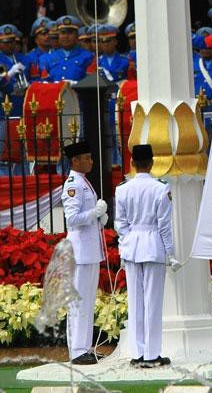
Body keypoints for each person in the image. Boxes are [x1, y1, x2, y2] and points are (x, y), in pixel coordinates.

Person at [114, 144, 174, 368]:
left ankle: (137, 353)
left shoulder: (122, 188)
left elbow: (120, 224)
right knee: (153, 301)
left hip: (132, 245)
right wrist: (171, 252)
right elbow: (164, 226)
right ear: (151, 163)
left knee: (136, 302)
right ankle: (151, 353)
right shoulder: (160, 187)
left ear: (132, 163)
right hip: (152, 245)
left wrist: (126, 244)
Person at [61, 141, 108, 365]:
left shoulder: (83, 182)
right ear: (75, 161)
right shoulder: (73, 184)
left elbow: (86, 218)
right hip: (79, 251)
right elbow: (72, 219)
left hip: (89, 250)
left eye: (91, 156)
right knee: (78, 302)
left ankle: (85, 347)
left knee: (87, 300)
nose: (91, 161)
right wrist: (94, 213)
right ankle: (77, 351)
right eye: (86, 157)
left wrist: (99, 219)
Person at [40, 16, 94, 82]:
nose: (66, 36)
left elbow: (90, 81)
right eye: (63, 33)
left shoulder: (88, 56)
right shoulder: (48, 57)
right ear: (58, 35)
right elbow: (44, 82)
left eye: (70, 33)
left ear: (77, 36)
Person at [27, 17, 52, 83]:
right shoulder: (30, 57)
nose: (47, 36)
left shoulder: (58, 52)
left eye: (49, 33)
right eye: (43, 34)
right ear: (36, 39)